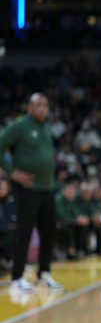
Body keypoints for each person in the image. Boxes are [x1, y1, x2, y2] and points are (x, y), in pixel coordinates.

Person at [0, 93, 63, 292]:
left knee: (49, 232)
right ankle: (17, 277)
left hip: (47, 188)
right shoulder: (20, 125)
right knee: (24, 232)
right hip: (28, 188)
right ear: (29, 108)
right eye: (37, 105)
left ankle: (43, 274)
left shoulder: (46, 127)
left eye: (45, 104)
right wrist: (12, 173)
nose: (42, 108)